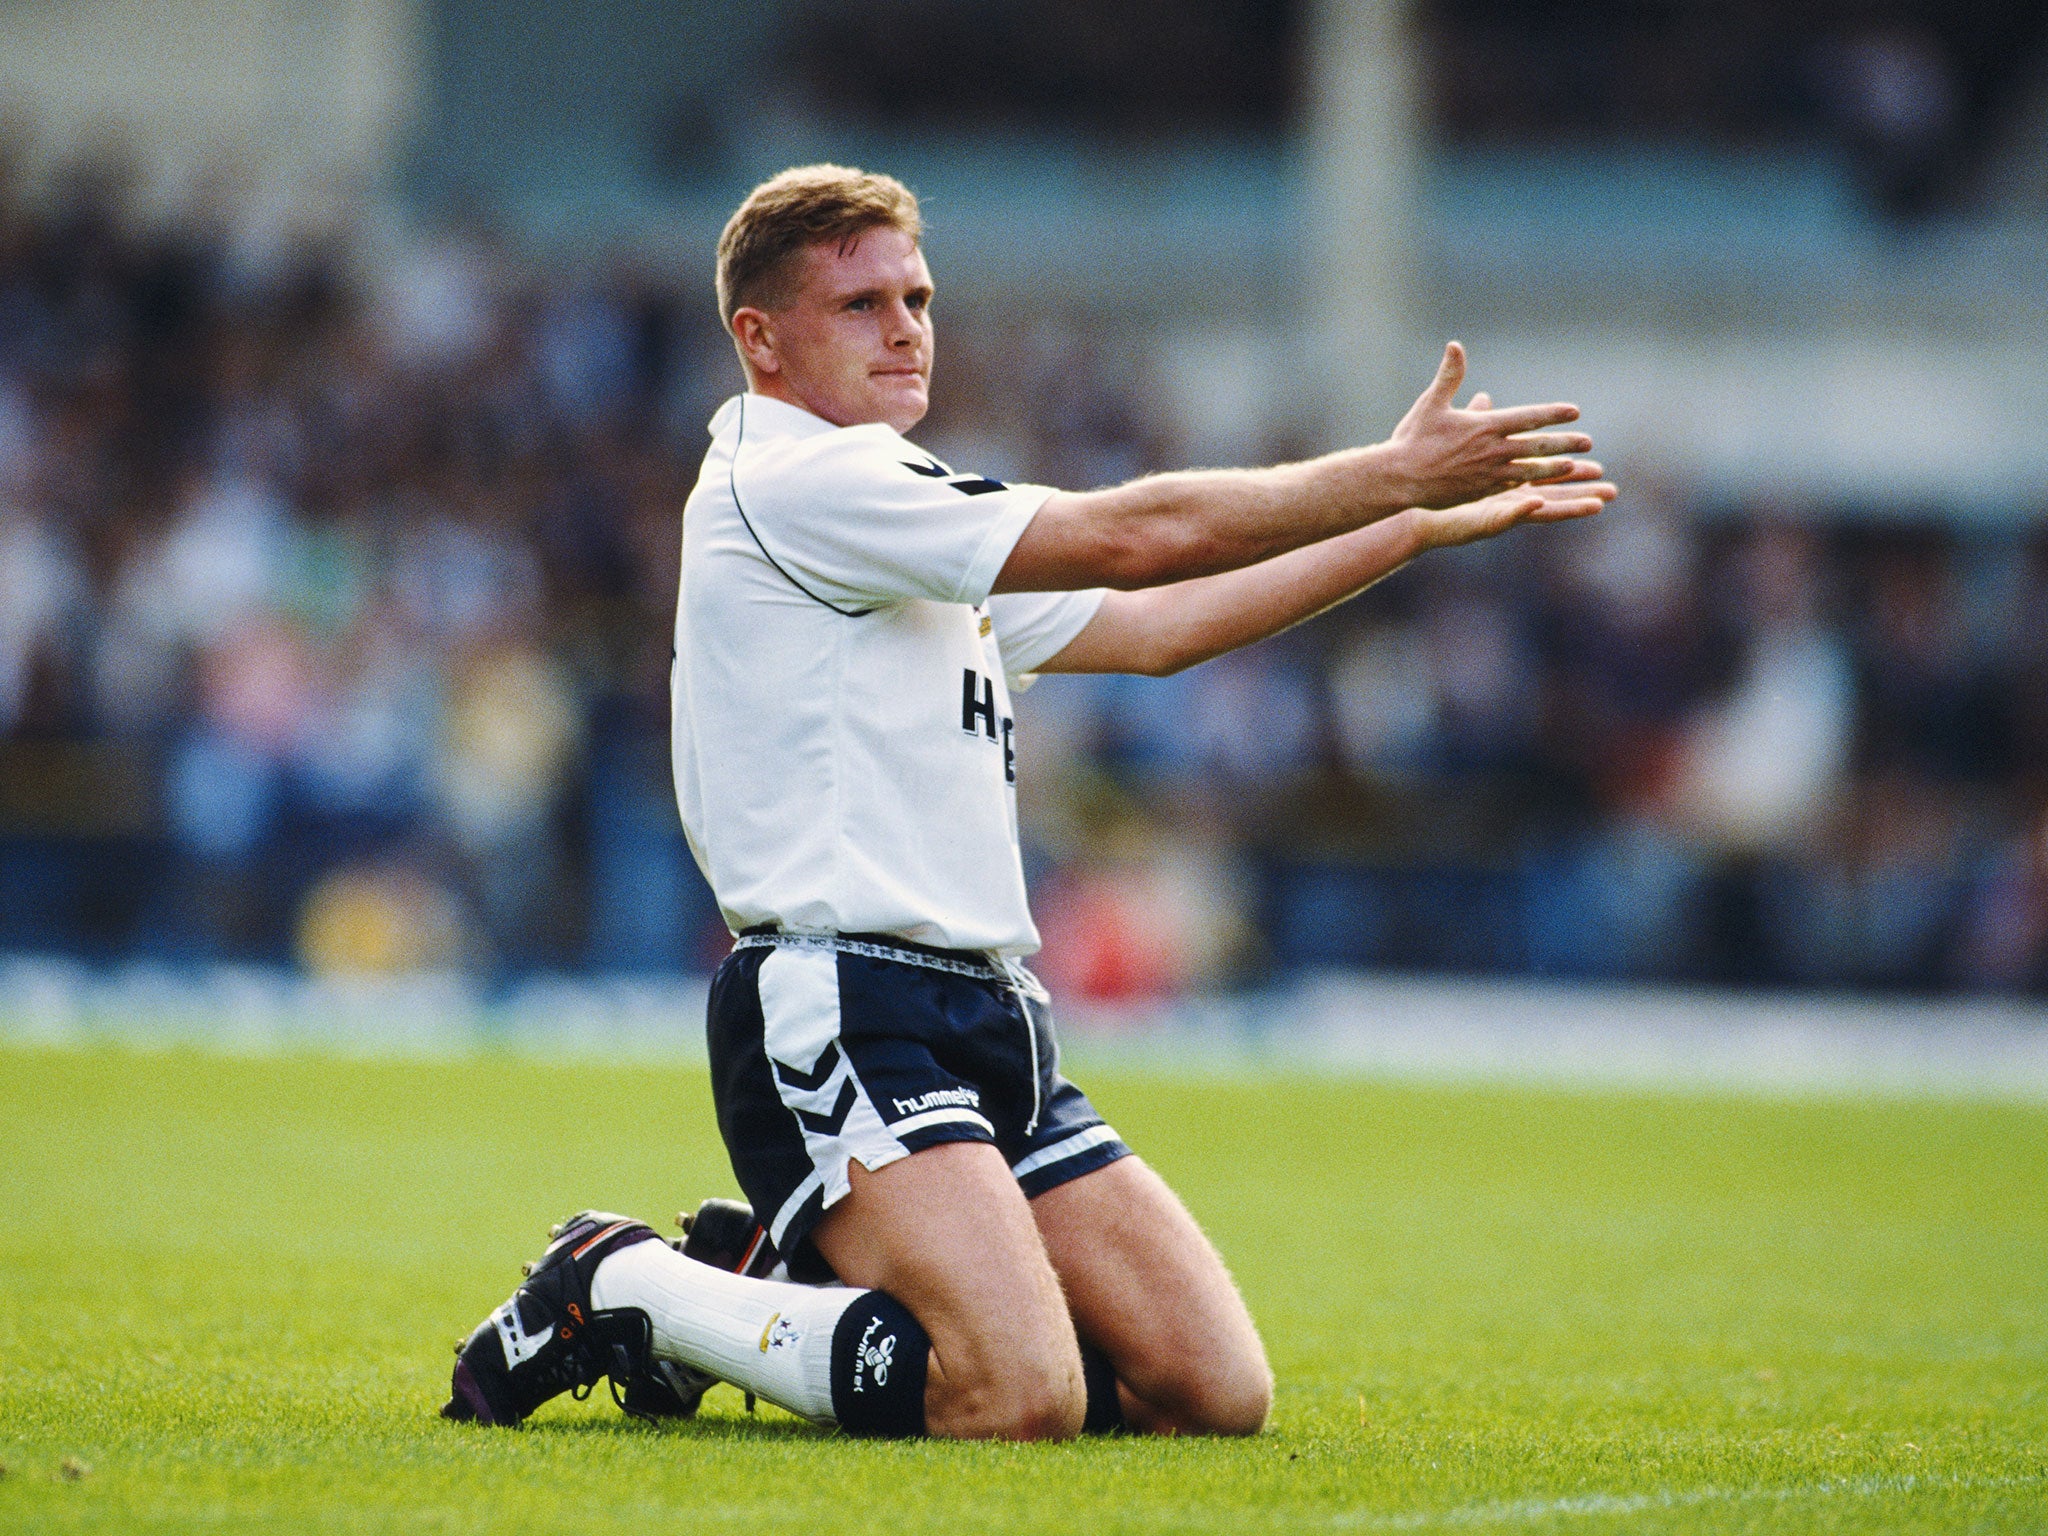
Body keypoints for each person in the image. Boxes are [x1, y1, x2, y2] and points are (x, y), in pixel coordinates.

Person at [443, 164, 1615, 1440]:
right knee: (1013, 1395)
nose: (904, 327)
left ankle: (770, 1293)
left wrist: (1401, 533)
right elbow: (1135, 538)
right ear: (758, 340)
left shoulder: (899, 501)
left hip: (991, 1008)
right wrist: (1385, 478)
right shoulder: (791, 481)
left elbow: (1157, 627)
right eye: (860, 304)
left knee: (1208, 1392)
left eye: (917, 296)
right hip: (846, 1008)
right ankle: (628, 1285)